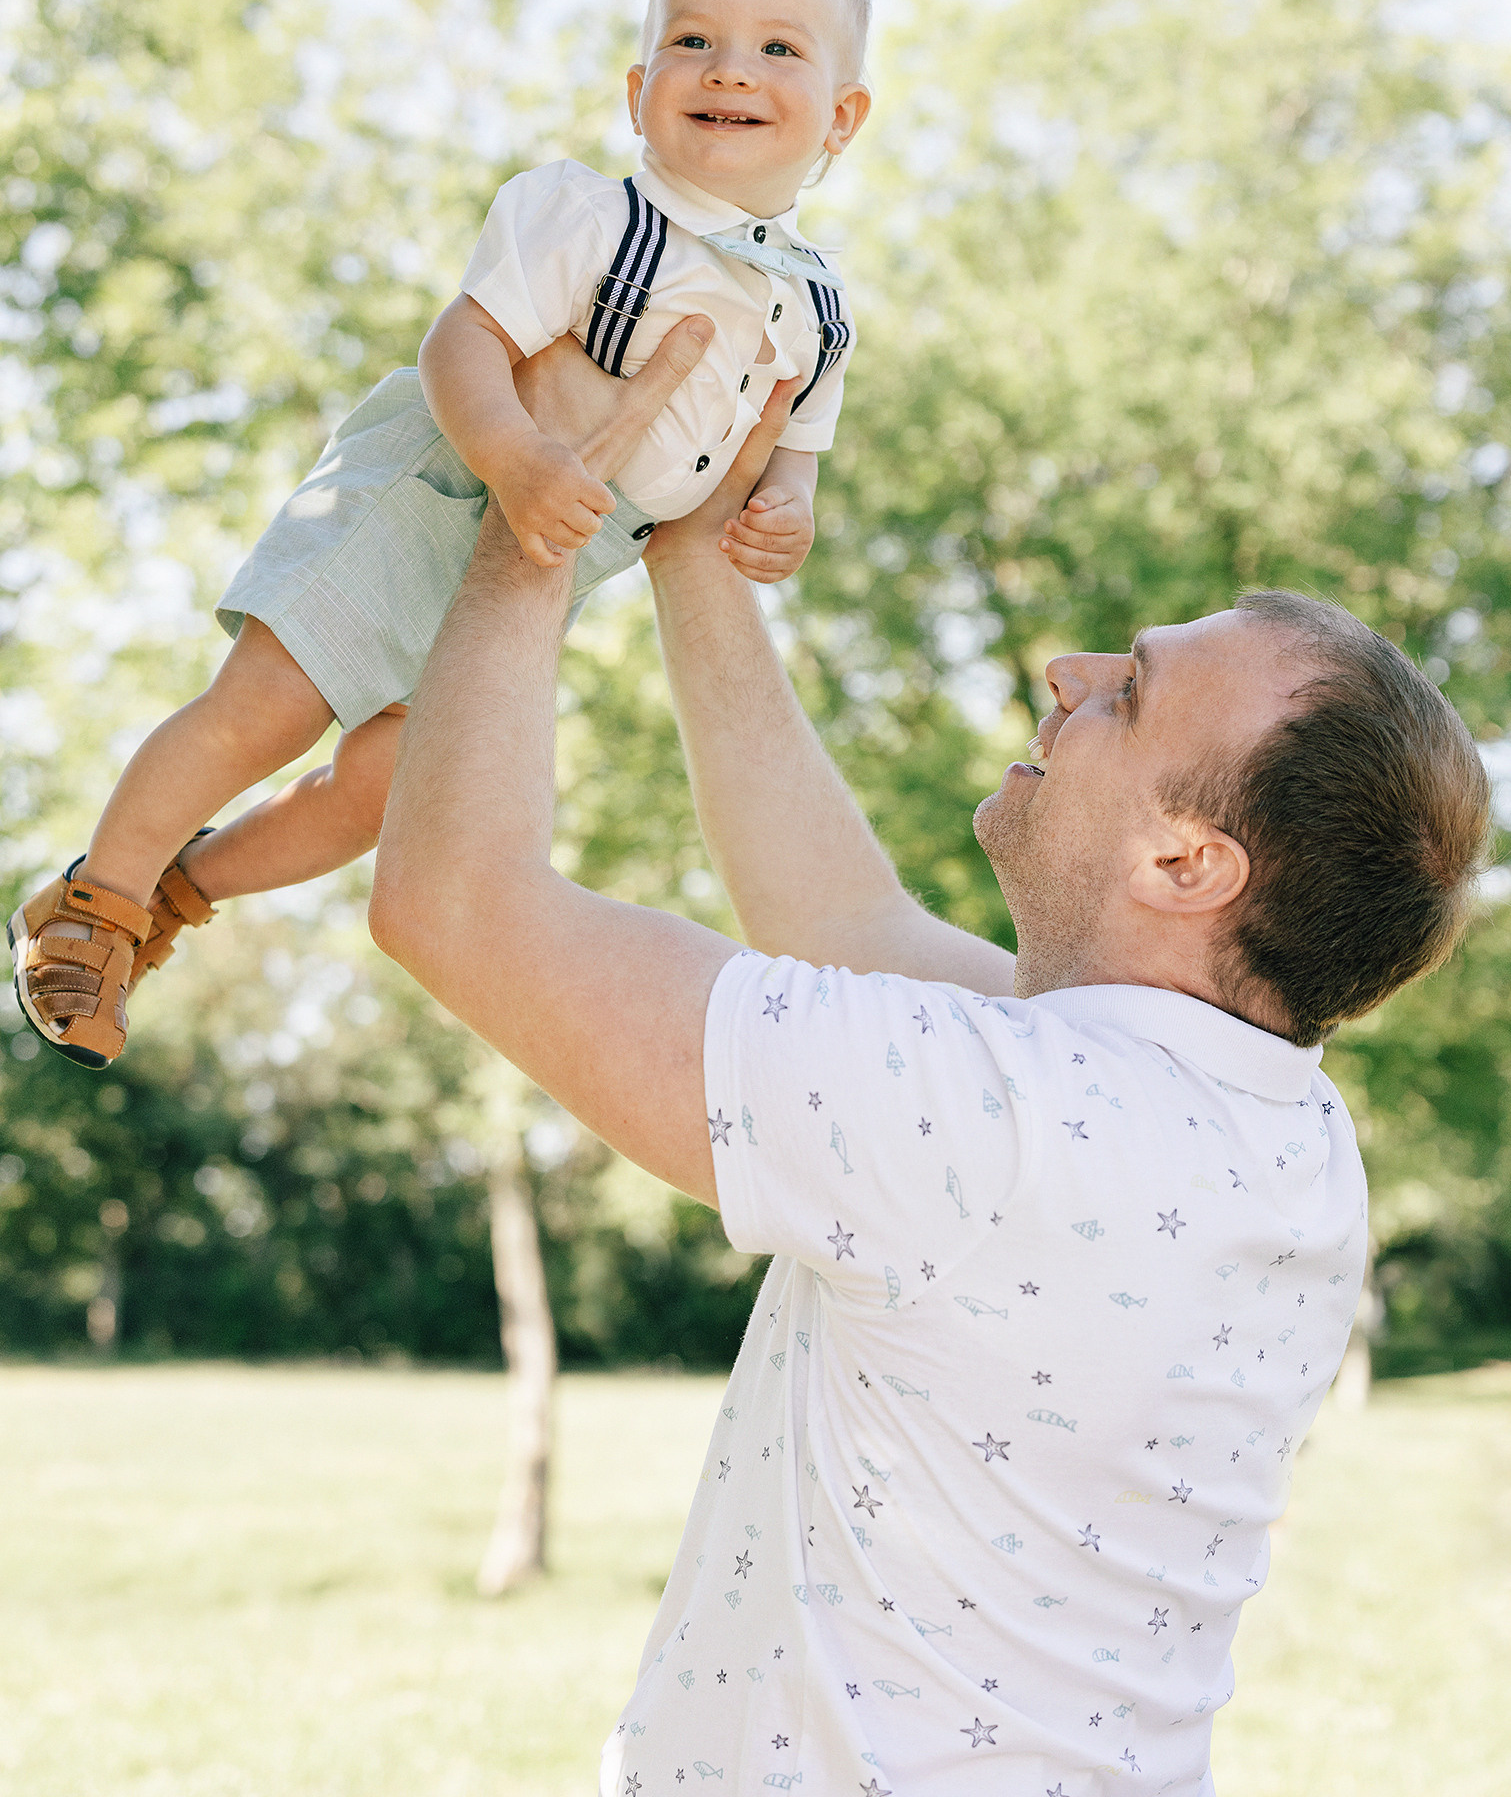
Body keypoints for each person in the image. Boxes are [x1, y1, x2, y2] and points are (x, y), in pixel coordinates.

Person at [367, 322, 1490, 1797]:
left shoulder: (993, 1123)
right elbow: (840, 920)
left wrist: (541, 511)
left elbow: (454, 905)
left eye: (1128, 693)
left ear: (1183, 859)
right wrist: (690, 542)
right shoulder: (1265, 1131)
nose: (1064, 669)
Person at [8, 0, 870, 1068]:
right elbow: (459, 344)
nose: (727, 68)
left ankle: (180, 886)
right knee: (269, 705)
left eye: (779, 49)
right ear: (637, 88)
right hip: (447, 487)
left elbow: (797, 446)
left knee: (388, 785)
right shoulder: (594, 215)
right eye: (690, 39)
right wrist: (515, 456)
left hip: (547, 565)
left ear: (843, 118)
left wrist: (792, 511)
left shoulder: (818, 308)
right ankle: (91, 902)